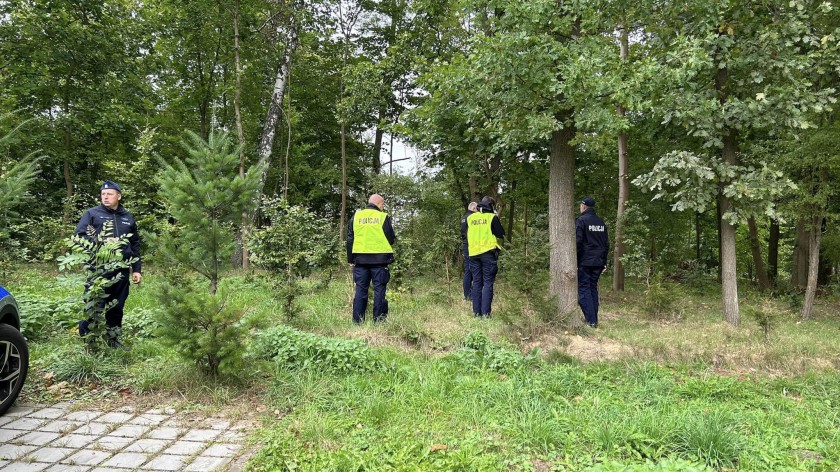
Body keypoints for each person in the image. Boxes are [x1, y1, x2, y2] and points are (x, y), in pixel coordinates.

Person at [75, 180, 143, 349]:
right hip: (99, 268)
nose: (105, 197)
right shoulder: (92, 214)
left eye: (109, 194)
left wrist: (136, 269)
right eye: (103, 194)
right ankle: (88, 340)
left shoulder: (127, 217)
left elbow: (134, 244)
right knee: (94, 303)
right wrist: (101, 243)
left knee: (117, 305)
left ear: (119, 196)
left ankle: (113, 339)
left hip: (121, 269)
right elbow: (79, 236)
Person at [346, 194, 396, 324]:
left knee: (361, 290)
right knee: (379, 290)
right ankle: (378, 321)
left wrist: (351, 259)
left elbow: (350, 239)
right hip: (380, 261)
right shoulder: (382, 217)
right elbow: (391, 239)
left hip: (360, 261)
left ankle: (357, 321)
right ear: (380, 204)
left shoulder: (356, 217)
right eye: (382, 205)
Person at [467, 196, 504, 318]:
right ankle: (486, 314)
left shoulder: (470, 218)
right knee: (488, 283)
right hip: (488, 253)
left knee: (477, 282)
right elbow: (500, 233)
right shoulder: (491, 217)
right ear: (491, 206)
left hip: (473, 253)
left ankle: (477, 313)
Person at [576, 196, 609, 328]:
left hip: (585, 261)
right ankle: (593, 318)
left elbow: (577, 242)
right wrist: (604, 261)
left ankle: (591, 321)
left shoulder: (581, 221)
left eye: (580, 205)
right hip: (599, 261)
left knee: (584, 289)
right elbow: (607, 244)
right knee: (592, 288)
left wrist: (575, 260)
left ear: (583, 206)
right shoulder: (601, 223)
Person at [460, 201, 478, 300]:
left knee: (468, 270)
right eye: (477, 209)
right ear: (474, 208)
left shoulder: (464, 217)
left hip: (465, 245)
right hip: (471, 246)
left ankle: (467, 294)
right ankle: (469, 295)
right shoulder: (472, 217)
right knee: (471, 270)